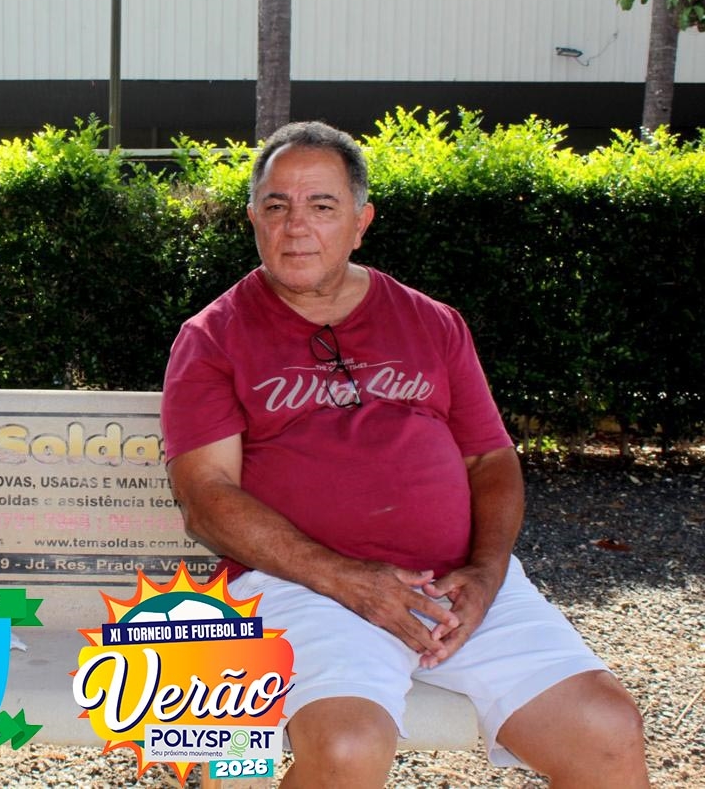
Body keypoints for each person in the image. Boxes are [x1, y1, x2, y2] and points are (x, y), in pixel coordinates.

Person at [161, 121, 649, 787]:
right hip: (305, 589)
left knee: (607, 729)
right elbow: (206, 497)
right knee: (346, 748)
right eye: (276, 206)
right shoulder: (213, 337)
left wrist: (485, 574)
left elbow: (490, 461)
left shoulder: (432, 321)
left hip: (458, 587)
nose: (295, 226)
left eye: (321, 205)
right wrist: (349, 581)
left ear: (360, 223)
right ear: (253, 220)